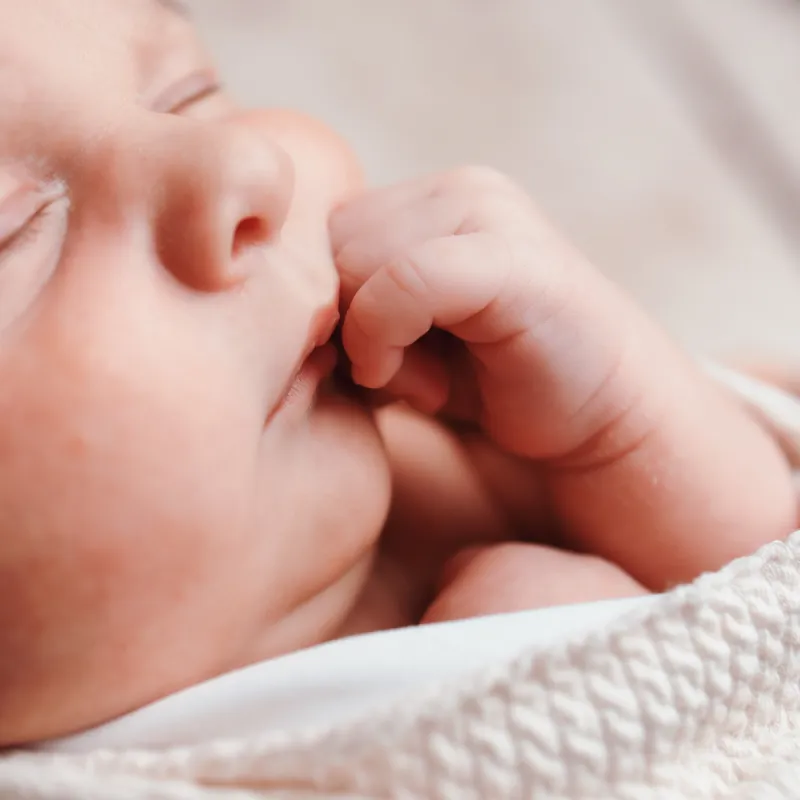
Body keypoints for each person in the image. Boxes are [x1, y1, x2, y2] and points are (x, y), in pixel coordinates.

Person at [0, 0, 794, 748]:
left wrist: (628, 427)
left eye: (187, 91)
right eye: (14, 226)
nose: (244, 161)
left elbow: (771, 592)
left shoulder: (449, 444)